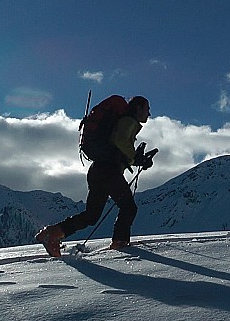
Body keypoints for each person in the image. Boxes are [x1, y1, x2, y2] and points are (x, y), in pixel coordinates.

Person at [35, 96, 154, 256]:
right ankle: (120, 242)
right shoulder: (128, 121)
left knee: (91, 216)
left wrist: (137, 160)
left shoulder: (119, 122)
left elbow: (117, 150)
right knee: (128, 207)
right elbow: (120, 142)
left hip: (98, 170)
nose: (149, 113)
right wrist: (137, 158)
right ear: (138, 108)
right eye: (147, 109)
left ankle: (51, 233)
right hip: (109, 171)